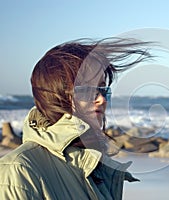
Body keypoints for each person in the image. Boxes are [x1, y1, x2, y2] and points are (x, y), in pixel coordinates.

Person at [0, 38, 152, 199]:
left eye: (102, 89)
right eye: (88, 90)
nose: (102, 99)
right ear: (56, 96)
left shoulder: (92, 163)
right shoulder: (19, 171)